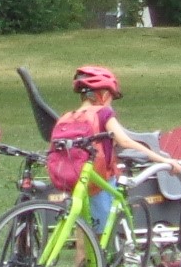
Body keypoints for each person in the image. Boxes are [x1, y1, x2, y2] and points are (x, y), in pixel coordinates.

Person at [52, 66, 157, 235]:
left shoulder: (68, 116)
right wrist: (161, 159)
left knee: (83, 232)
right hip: (98, 181)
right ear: (105, 94)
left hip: (74, 180)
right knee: (103, 233)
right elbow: (124, 141)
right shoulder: (103, 113)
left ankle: (85, 253)